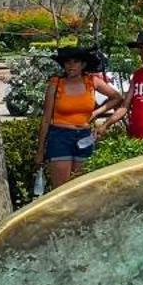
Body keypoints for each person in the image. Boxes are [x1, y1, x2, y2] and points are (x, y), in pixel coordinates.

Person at [36, 46, 122, 190]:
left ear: (83, 65)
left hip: (84, 136)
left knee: (82, 187)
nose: (71, 65)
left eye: (75, 62)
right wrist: (40, 150)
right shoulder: (56, 83)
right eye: (67, 62)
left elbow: (117, 97)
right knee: (61, 189)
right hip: (60, 137)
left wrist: (96, 113)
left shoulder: (92, 81)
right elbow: (45, 119)